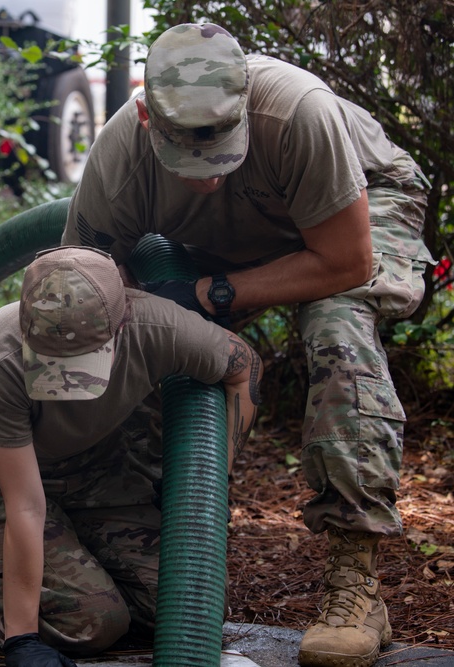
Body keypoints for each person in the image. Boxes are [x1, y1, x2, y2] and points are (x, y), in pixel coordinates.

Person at [62, 22, 435, 667]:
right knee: (130, 336)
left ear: (242, 108)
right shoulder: (119, 159)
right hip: (231, 235)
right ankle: (120, 536)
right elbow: (81, 298)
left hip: (360, 209)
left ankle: (355, 583)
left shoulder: (299, 112)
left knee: (336, 326)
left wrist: (211, 296)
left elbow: (346, 261)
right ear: (149, 116)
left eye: (221, 150)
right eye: (188, 157)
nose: (205, 177)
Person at [0, 245, 263, 665]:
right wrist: (21, 638)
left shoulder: (160, 325)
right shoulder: (0, 352)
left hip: (96, 468)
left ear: (122, 320)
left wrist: (206, 481)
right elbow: (26, 505)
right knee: (90, 624)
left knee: (183, 606)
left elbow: (244, 367)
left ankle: (55, 552)